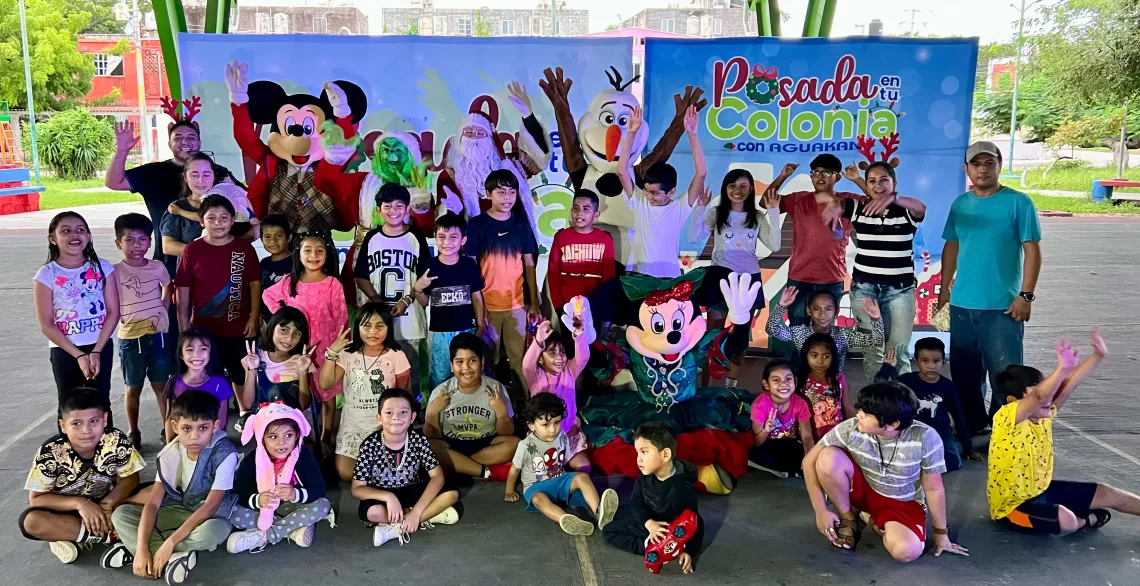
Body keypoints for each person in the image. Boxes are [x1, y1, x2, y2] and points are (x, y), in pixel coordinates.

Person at [989, 330, 1140, 535]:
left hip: (1042, 491)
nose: (1050, 396)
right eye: (1040, 391)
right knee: (1066, 520)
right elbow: (1040, 396)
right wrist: (1061, 368)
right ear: (1013, 400)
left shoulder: (1044, 415)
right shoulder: (1006, 418)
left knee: (1108, 493)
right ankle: (1086, 520)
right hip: (1012, 507)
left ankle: (1076, 514)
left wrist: (1098, 356)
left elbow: (1068, 384)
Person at [937, 141, 1042, 435]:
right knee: (964, 375)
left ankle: (1003, 433)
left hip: (1003, 307)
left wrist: (1026, 295)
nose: (983, 169)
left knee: (1006, 378)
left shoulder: (1018, 203)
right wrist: (945, 289)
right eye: (976, 164)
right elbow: (952, 246)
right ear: (966, 169)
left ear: (999, 165)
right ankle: (972, 432)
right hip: (962, 305)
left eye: (989, 163)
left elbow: (1032, 250)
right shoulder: (960, 204)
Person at [801, 381, 967, 562]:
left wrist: (941, 534)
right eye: (861, 409)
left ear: (892, 424)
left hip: (902, 502)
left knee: (906, 552)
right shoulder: (850, 427)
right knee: (827, 456)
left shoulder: (925, 437)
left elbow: (934, 488)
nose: (858, 414)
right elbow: (808, 462)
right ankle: (848, 517)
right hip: (864, 490)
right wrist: (821, 511)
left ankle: (869, 517)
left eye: (866, 413)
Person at [104, 391, 238, 584]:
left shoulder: (225, 454)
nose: (194, 436)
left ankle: (142, 551)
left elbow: (209, 508)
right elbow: (152, 504)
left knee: (214, 532)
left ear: (215, 426)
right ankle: (167, 557)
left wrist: (170, 542)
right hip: (176, 509)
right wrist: (141, 549)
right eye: (186, 428)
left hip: (208, 515)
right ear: (175, 426)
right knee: (121, 514)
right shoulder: (170, 453)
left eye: (203, 428)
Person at [822, 162, 925, 378]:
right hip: (864, 290)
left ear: (894, 183)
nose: (878, 185)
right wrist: (834, 208)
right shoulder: (859, 207)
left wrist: (893, 198)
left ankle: (900, 398)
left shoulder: (906, 210)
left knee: (898, 351)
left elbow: (920, 207)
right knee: (872, 350)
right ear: (866, 186)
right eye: (872, 181)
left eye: (884, 180)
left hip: (900, 291)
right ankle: (874, 397)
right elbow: (840, 204)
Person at [20, 389, 145, 564]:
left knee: (155, 492)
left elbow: (131, 478)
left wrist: (109, 503)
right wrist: (81, 504)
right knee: (31, 522)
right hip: (68, 510)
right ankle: (111, 535)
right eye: (76, 423)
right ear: (63, 426)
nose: (86, 430)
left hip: (109, 503)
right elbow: (37, 498)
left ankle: (79, 536)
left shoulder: (115, 439)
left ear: (105, 419)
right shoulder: (50, 452)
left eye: (94, 421)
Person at [105, 117, 233, 266]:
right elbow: (114, 182)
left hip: (219, 262)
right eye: (178, 138)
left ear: (199, 143)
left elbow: (243, 206)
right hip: (169, 263)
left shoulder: (218, 173)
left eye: (191, 137)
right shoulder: (153, 172)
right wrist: (122, 151)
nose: (185, 142)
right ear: (169, 144)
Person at [174, 195, 261, 403]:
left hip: (238, 327)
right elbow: (183, 289)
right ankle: (209, 413)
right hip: (204, 330)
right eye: (211, 218)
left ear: (232, 220)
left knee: (240, 373)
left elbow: (255, 284)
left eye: (224, 218)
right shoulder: (193, 250)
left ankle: (244, 411)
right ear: (202, 221)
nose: (218, 223)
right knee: (207, 374)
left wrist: (254, 317)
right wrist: (184, 327)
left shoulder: (244, 248)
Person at [34, 211, 119, 421]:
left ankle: (106, 442)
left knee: (101, 402)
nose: (74, 234)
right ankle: (68, 443)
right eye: (66, 231)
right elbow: (46, 324)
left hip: (100, 345)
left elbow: (113, 312)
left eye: (81, 230)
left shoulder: (102, 268)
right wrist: (78, 355)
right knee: (69, 405)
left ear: (88, 236)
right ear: (52, 239)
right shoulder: (46, 274)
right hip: (65, 350)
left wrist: (97, 350)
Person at [464, 170, 541, 402]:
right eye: (501, 192)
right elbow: (470, 268)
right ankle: (489, 407)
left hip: (517, 305)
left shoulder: (521, 223)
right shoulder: (476, 225)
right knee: (489, 361)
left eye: (512, 192)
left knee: (520, 360)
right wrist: (480, 309)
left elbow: (529, 264)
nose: (507, 197)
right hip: (488, 307)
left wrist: (533, 303)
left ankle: (525, 407)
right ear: (488, 194)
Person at [352, 388, 462, 547]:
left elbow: (437, 477)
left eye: (403, 412)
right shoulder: (369, 445)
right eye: (389, 412)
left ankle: (400, 525)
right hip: (381, 493)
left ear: (412, 417)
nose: (396, 417)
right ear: (379, 418)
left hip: (412, 489)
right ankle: (428, 515)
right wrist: (388, 497)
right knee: (371, 512)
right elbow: (357, 488)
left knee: (452, 493)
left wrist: (416, 512)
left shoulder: (419, 440)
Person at [766, 154, 863, 330]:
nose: (820, 176)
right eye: (815, 172)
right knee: (797, 329)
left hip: (831, 278)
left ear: (837, 177)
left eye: (826, 173)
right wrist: (783, 176)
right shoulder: (799, 199)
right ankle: (799, 351)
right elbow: (765, 202)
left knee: (825, 330)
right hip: (799, 277)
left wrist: (858, 180)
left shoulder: (847, 201)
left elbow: (878, 204)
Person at [318, 303, 411, 482]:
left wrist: (397, 428)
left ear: (388, 328)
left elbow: (404, 394)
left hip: (384, 426)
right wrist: (332, 353)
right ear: (357, 327)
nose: (373, 331)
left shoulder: (397, 355)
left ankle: (385, 477)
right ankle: (385, 479)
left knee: (385, 466)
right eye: (366, 325)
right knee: (346, 473)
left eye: (380, 325)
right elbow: (325, 384)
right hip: (352, 426)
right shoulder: (347, 354)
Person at [353, 184, 430, 397]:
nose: (393, 210)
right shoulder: (371, 238)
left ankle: (411, 407)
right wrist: (376, 300)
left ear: (407, 209)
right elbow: (360, 275)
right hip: (379, 322)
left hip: (410, 318)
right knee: (381, 370)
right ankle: (383, 409)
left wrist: (407, 300)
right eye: (387, 206)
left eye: (399, 206)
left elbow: (424, 277)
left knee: (410, 370)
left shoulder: (415, 237)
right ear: (378, 210)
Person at [505, 392, 619, 535]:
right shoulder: (525, 445)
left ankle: (600, 512)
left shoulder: (562, 437)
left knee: (582, 477)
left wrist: (575, 480)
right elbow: (514, 470)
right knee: (538, 499)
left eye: (557, 422)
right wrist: (509, 491)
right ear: (532, 425)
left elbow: (563, 461)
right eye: (545, 425)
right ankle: (566, 520)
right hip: (535, 486)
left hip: (559, 480)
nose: (553, 429)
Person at [225, 403, 331, 553]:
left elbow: (319, 489)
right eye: (273, 437)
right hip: (261, 510)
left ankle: (265, 535)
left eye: (288, 435)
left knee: (323, 505)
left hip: (293, 507)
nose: (282, 442)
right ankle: (292, 529)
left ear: (297, 435)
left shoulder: (303, 456)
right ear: (262, 438)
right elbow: (239, 490)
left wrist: (295, 494)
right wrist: (258, 500)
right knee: (230, 509)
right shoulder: (253, 460)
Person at [602, 422, 704, 575]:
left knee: (608, 532)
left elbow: (695, 522)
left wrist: (689, 550)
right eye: (637, 452)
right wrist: (647, 522)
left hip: (663, 530)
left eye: (644, 452)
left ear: (665, 455)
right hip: (651, 519)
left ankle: (653, 549)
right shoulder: (646, 474)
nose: (639, 459)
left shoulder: (679, 490)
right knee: (621, 512)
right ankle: (608, 515)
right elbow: (636, 500)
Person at [263, 231, 347, 413]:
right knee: (300, 391)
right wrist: (283, 316)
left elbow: (342, 320)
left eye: (319, 251)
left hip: (325, 348)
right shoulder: (290, 281)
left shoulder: (333, 284)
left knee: (327, 393)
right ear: (298, 254)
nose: (313, 255)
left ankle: (326, 431)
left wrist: (338, 348)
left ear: (327, 254)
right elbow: (267, 294)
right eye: (307, 250)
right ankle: (300, 427)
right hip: (296, 346)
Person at [617, 105, 705, 278]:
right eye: (646, 190)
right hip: (637, 274)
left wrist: (692, 135)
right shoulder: (639, 201)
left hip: (668, 277)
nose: (649, 196)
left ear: (671, 192)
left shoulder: (679, 208)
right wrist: (631, 133)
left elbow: (701, 173)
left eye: (655, 193)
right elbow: (622, 171)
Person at [113, 213, 173, 448]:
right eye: (129, 240)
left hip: (158, 336)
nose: (136, 245)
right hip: (130, 338)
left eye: (142, 239)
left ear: (150, 242)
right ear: (118, 243)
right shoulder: (114, 272)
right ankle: (133, 431)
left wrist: (164, 308)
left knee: (161, 385)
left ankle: (168, 428)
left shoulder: (157, 266)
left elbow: (168, 285)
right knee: (133, 387)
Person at [425, 332, 519, 480]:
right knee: (428, 446)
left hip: (486, 444)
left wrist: (502, 414)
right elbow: (432, 435)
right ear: (451, 366)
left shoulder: (496, 388)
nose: (466, 368)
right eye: (459, 362)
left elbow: (507, 433)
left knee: (515, 444)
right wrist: (432, 413)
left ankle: (459, 466)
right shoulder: (440, 391)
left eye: (472, 361)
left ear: (482, 362)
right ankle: (483, 471)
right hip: (451, 444)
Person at [412, 212, 486, 390]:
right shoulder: (429, 266)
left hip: (467, 329)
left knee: (468, 372)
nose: (447, 242)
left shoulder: (469, 265)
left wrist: (480, 325)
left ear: (463, 240)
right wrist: (418, 289)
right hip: (439, 332)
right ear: (435, 238)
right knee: (440, 375)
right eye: (442, 237)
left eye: (453, 237)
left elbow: (476, 296)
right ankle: (438, 405)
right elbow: (424, 302)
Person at [522, 317, 591, 471]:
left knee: (584, 466)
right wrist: (538, 342)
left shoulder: (570, 371)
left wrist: (579, 332)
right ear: (540, 358)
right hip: (543, 438)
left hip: (568, 434)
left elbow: (584, 357)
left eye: (562, 352)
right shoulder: (535, 376)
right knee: (547, 472)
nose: (560, 358)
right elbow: (527, 364)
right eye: (552, 353)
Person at [897, 337, 972, 472]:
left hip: (941, 435)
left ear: (944, 361)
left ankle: (956, 444)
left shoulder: (948, 386)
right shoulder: (905, 382)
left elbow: (958, 415)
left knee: (953, 463)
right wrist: (887, 368)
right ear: (916, 361)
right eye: (925, 361)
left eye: (936, 361)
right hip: (911, 434)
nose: (931, 366)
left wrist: (968, 447)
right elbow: (881, 393)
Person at [767, 287, 883, 372]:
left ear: (836, 311)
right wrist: (781, 306)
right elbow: (771, 329)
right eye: (816, 309)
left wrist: (876, 320)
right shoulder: (800, 333)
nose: (822, 315)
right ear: (809, 311)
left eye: (828, 309)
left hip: (834, 388)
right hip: (805, 385)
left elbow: (877, 340)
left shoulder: (844, 335)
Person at [546, 189, 616, 312]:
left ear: (596, 215)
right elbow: (553, 273)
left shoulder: (605, 240)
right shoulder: (561, 237)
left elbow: (608, 276)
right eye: (575, 208)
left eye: (586, 209)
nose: (579, 213)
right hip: (566, 304)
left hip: (595, 305)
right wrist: (558, 305)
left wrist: (603, 305)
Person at [238, 307, 315, 414]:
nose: (289, 338)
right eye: (284, 330)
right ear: (272, 328)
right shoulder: (255, 359)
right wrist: (252, 370)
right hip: (262, 422)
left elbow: (304, 405)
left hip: (290, 423)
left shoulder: (303, 362)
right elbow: (247, 404)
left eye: (297, 333)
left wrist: (302, 372)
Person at [159, 152, 223, 278]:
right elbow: (168, 247)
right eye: (194, 175)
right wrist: (207, 252)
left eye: (206, 174)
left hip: (223, 275)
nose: (201, 180)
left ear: (214, 176)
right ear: (185, 177)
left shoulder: (227, 205)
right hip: (190, 277)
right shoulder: (177, 207)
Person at [164, 328, 233, 442]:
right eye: (190, 350)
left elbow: (221, 422)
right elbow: (170, 418)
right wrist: (170, 445)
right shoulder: (174, 383)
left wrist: (207, 445)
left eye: (203, 349)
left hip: (212, 441)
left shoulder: (219, 383)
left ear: (210, 353)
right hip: (183, 441)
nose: (196, 354)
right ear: (181, 354)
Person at [749, 360, 813, 478]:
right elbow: (757, 442)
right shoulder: (759, 406)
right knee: (753, 453)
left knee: (804, 451)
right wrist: (766, 430)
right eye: (776, 380)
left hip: (789, 443)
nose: (783, 384)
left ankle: (790, 470)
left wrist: (809, 459)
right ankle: (792, 471)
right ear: (766, 384)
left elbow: (807, 436)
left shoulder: (800, 403)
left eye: (788, 379)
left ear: (795, 381)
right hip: (767, 444)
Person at [795, 333, 852, 441]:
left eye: (826, 356)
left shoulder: (839, 379)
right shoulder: (798, 380)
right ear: (806, 355)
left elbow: (848, 408)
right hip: (807, 435)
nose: (820, 361)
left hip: (835, 435)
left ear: (833, 357)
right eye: (814, 355)